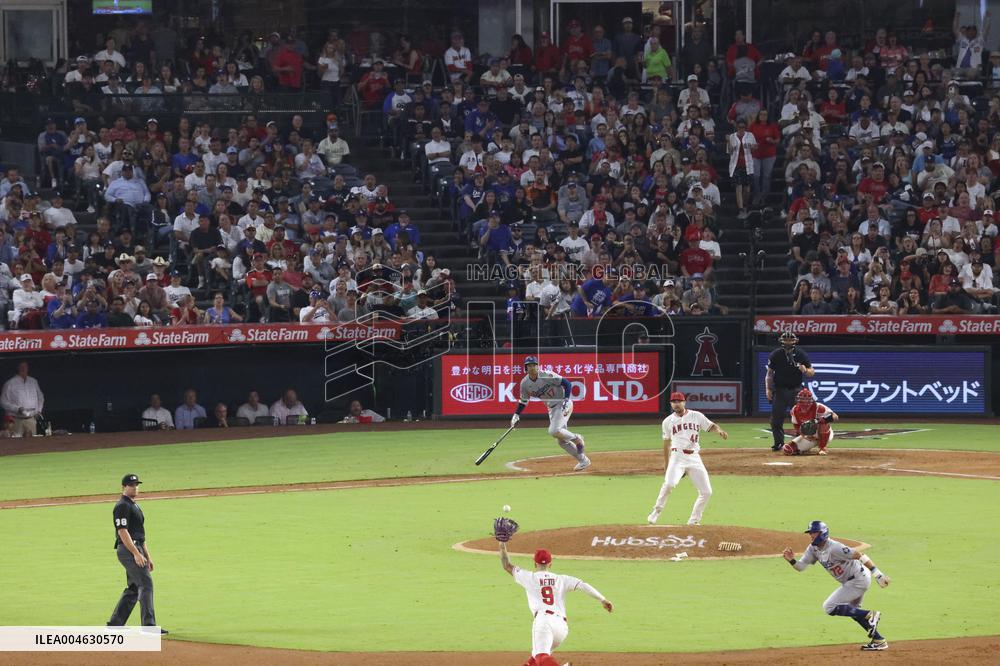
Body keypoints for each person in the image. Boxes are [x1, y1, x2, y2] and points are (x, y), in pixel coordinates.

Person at [499, 542, 613, 666]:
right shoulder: (561, 579)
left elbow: (506, 565)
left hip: (544, 622)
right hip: (561, 628)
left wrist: (502, 544)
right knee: (535, 659)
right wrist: (603, 599)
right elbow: (583, 585)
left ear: (534, 563)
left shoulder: (529, 577)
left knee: (541, 657)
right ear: (550, 564)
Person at [782, 520, 890, 651]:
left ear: (823, 533)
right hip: (852, 581)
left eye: (814, 532)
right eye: (810, 533)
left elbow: (860, 555)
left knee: (829, 607)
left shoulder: (835, 547)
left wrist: (878, 574)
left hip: (859, 579)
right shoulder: (813, 549)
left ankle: (870, 615)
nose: (811, 535)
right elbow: (801, 567)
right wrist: (791, 560)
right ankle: (879, 640)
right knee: (853, 612)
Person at [646, 391, 728, 526]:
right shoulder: (667, 422)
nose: (676, 404)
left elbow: (711, 425)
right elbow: (666, 443)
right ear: (671, 404)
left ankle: (694, 520)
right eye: (674, 402)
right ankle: (656, 511)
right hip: (677, 457)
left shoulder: (696, 416)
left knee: (706, 492)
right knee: (669, 483)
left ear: (684, 402)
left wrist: (719, 430)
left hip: (694, 458)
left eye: (679, 401)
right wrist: (667, 465)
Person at [107, 473, 167, 633]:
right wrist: (135, 553)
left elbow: (140, 535)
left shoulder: (134, 505)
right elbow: (122, 531)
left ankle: (115, 623)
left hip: (136, 547)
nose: (135, 487)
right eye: (131, 485)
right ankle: (148, 626)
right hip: (128, 549)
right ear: (123, 487)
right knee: (146, 584)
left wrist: (147, 556)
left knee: (134, 587)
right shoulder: (122, 506)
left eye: (136, 485)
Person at [509, 356, 590, 471]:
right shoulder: (525, 383)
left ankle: (577, 438)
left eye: (534, 365)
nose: (532, 367)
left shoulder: (546, 375)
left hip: (562, 403)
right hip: (552, 409)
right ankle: (584, 460)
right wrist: (516, 415)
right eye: (529, 365)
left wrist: (566, 399)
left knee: (553, 431)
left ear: (538, 366)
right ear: (525, 368)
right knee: (561, 441)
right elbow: (524, 401)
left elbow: (567, 383)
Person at [765, 331, 815, 451]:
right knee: (776, 419)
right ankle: (778, 443)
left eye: (790, 340)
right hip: (780, 390)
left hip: (796, 390)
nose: (788, 342)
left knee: (802, 419)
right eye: (786, 340)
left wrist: (804, 370)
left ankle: (801, 444)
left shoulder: (800, 354)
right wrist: (768, 388)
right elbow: (769, 374)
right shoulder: (776, 354)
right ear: (781, 341)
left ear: (795, 341)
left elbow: (811, 372)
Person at [783, 388, 839, 455]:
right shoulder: (794, 410)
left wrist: (823, 419)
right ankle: (805, 448)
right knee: (788, 449)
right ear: (798, 399)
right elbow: (796, 426)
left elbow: (835, 416)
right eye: (802, 399)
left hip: (823, 434)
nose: (805, 402)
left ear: (811, 400)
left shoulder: (818, 407)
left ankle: (823, 448)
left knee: (823, 423)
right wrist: (804, 435)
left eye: (806, 399)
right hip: (809, 436)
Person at [1, 361, 44, 437]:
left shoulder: (33, 381)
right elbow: (3, 402)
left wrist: (39, 410)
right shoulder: (10, 383)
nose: (23, 369)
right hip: (16, 420)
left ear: (28, 368)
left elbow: (40, 397)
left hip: (31, 419)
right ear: (17, 368)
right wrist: (17, 409)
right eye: (21, 367)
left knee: (32, 444)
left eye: (25, 366)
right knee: (16, 445)